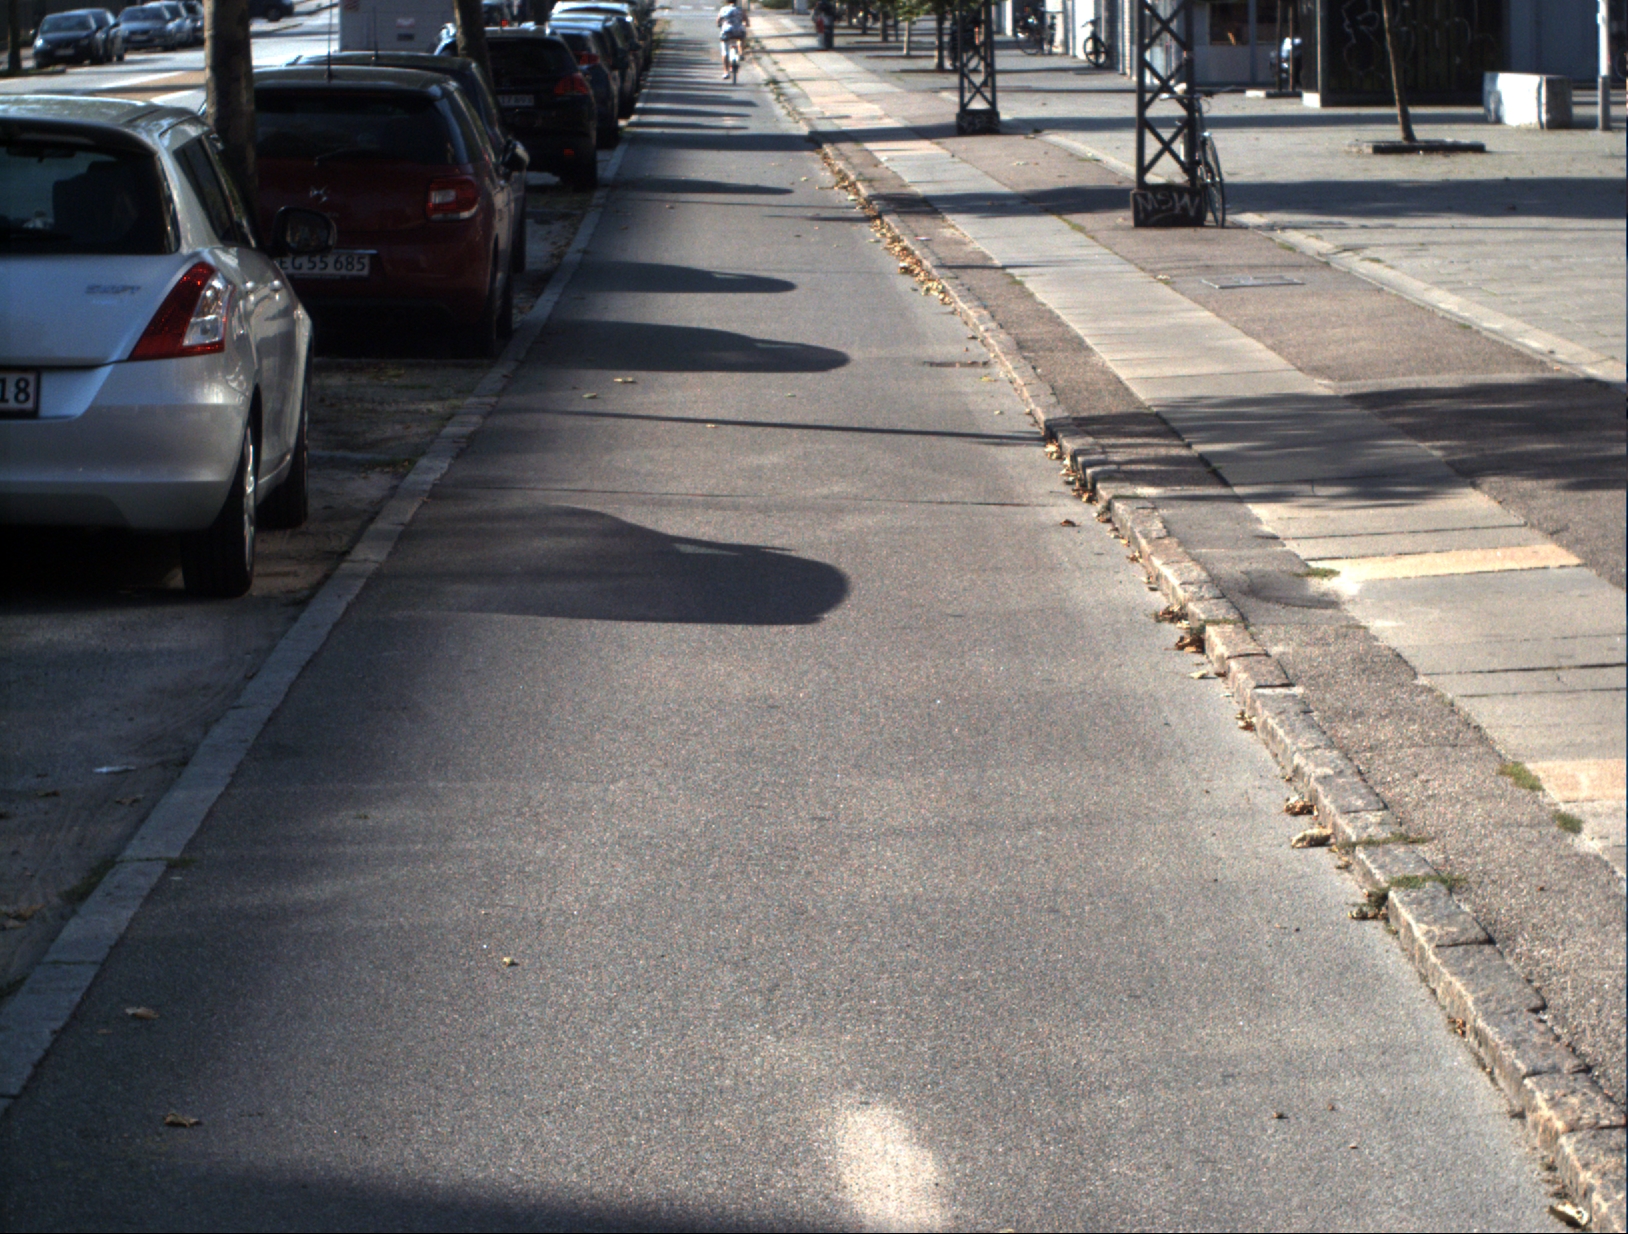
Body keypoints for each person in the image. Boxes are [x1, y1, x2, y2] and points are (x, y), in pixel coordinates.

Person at [718, 0, 748, 77]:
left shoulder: (723, 9)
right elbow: (746, 21)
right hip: (738, 30)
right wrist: (746, 24)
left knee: (725, 51)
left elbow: (718, 20)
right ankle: (741, 53)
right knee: (742, 37)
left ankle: (726, 72)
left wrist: (719, 25)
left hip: (727, 31)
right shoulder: (740, 9)